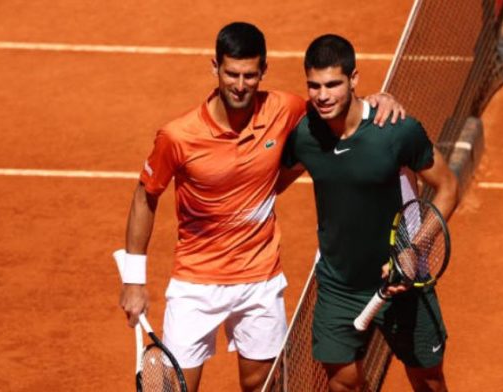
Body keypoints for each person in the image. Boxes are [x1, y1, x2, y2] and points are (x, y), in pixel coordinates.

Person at [118, 23, 406, 392]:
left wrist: (377, 99)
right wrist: (133, 281)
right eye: (231, 74)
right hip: (196, 282)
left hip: (260, 280)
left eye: (250, 75)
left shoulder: (282, 109)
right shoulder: (178, 136)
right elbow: (146, 196)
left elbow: (335, 109)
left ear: (263, 72)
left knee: (263, 385)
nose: (240, 85)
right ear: (215, 68)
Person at [279, 34, 458, 392]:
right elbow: (270, 183)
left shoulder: (396, 130)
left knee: (428, 379)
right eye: (314, 86)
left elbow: (448, 187)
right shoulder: (305, 136)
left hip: (405, 281)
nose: (323, 95)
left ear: (354, 79)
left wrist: (413, 250)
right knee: (342, 383)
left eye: (333, 84)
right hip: (338, 286)